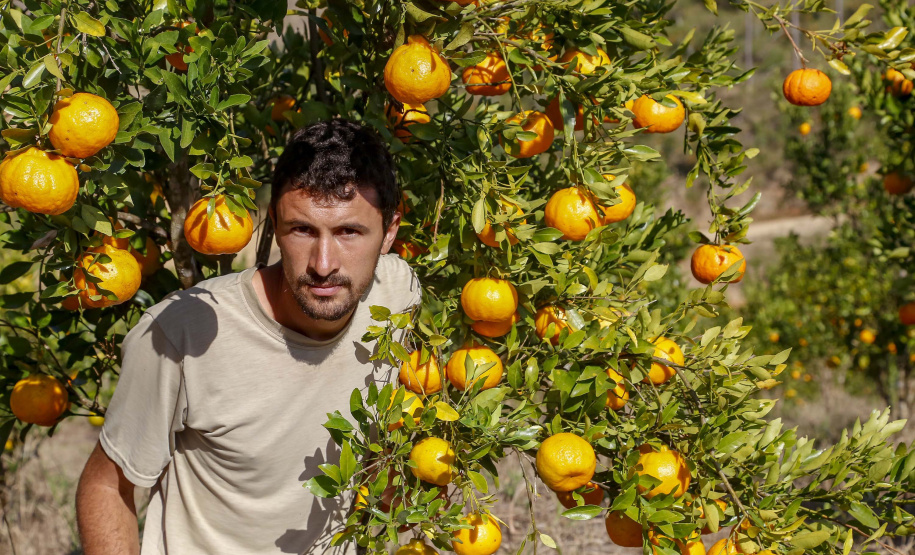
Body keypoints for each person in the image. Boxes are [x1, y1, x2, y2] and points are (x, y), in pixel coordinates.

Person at [75, 119, 421, 554]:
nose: (324, 264)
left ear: (389, 232)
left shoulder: (398, 295)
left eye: (349, 232)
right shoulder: (181, 334)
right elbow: (106, 487)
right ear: (274, 223)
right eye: (302, 230)